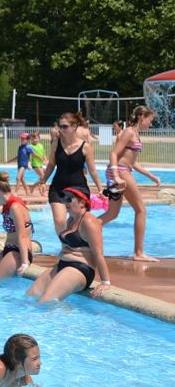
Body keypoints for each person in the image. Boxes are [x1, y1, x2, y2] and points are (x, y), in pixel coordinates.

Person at [98, 105, 161, 262]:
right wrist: (116, 175)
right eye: (150, 120)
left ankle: (82, 230)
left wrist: (151, 176)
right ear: (141, 116)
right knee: (141, 210)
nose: (150, 124)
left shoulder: (136, 134)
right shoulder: (128, 132)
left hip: (123, 171)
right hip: (121, 172)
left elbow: (132, 163)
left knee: (112, 214)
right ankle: (138, 252)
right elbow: (114, 153)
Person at [27, 187, 111, 303]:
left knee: (45, 302)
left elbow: (98, 254)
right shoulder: (71, 220)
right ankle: (65, 311)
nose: (65, 202)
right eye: (63, 199)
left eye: (69, 199)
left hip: (80, 269)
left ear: (82, 202)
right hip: (62, 265)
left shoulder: (89, 222)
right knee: (29, 297)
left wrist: (105, 282)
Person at [35, 112, 103, 235]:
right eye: (60, 126)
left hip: (78, 189)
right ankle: (66, 246)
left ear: (74, 127)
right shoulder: (56, 143)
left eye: (65, 126)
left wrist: (100, 189)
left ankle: (76, 246)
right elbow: (51, 164)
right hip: (58, 188)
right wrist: (43, 181)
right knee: (60, 222)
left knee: (79, 223)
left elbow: (92, 170)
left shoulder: (85, 147)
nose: (61, 129)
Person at [0, 172, 34, 280]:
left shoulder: (15, 207)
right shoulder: (7, 205)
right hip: (8, 249)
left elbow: (22, 235)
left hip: (18, 252)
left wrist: (25, 262)